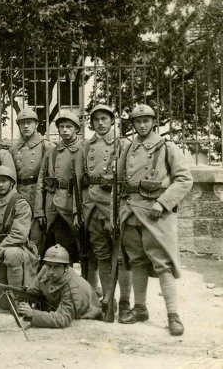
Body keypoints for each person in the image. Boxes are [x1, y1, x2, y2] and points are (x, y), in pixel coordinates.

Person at [118, 104, 193, 336]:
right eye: (137, 121)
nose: (142, 125)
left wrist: (163, 202)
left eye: (146, 120)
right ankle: (140, 308)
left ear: (154, 122)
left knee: (162, 264)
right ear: (133, 124)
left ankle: (173, 315)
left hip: (156, 213)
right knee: (137, 260)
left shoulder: (167, 147)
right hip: (131, 213)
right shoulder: (128, 148)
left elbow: (183, 179)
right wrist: (122, 208)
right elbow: (121, 182)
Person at [82, 104, 133, 321]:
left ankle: (124, 304)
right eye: (96, 120)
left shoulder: (123, 145)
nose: (100, 123)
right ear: (91, 123)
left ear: (112, 121)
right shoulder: (87, 145)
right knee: (102, 255)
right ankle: (107, 301)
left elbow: (128, 178)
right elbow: (82, 178)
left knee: (121, 257)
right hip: (92, 206)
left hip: (114, 206)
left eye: (105, 119)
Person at [34, 111, 97, 286]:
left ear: (77, 128)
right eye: (61, 126)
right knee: (55, 252)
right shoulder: (52, 152)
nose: (65, 130)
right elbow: (41, 182)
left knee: (85, 252)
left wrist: (82, 210)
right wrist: (39, 211)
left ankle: (87, 290)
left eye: (69, 126)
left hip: (77, 208)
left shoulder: (86, 149)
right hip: (54, 209)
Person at [0, 166, 39, 301]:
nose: (0, 184)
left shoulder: (20, 203)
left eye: (4, 181)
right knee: (2, 302)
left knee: (12, 253)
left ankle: (18, 297)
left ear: (12, 183)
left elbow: (18, 235)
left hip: (17, 249)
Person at [17, 244, 102, 328]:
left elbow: (63, 319)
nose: (51, 271)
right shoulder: (46, 269)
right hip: (58, 306)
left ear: (66, 267)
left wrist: (33, 313)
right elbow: (32, 291)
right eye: (49, 266)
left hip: (85, 313)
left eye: (56, 267)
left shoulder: (71, 288)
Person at [10, 108, 54, 253]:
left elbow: (50, 176)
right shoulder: (14, 149)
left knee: (37, 237)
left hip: (38, 194)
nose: (26, 126)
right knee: (20, 234)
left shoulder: (46, 146)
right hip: (20, 194)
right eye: (22, 123)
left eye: (29, 123)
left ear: (36, 124)